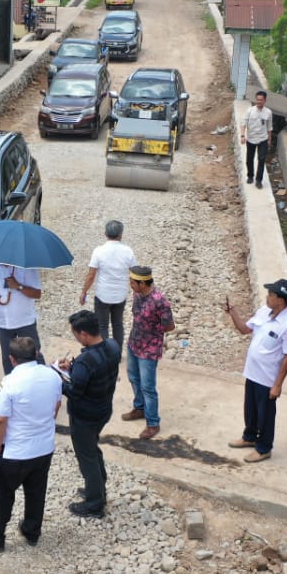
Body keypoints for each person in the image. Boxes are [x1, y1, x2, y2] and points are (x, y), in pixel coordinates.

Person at [0, 337, 63, 550]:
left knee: (3, 494)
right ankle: (32, 532)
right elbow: (57, 406)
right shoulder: (52, 376)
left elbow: (0, 419)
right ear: (36, 353)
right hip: (44, 447)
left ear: (12, 359)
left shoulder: (10, 382)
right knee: (36, 492)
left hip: (15, 450)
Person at [226, 279, 287, 463]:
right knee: (250, 409)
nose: (267, 297)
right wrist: (233, 313)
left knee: (266, 416)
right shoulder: (264, 312)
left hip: (267, 378)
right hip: (252, 372)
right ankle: (249, 437)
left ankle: (264, 448)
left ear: (281, 300)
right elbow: (244, 329)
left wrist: (278, 385)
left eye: (271, 294)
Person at [62, 310, 121, 519]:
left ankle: (94, 504)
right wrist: (73, 367)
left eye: (75, 334)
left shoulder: (85, 361)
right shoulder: (112, 346)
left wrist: (58, 379)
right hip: (103, 410)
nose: (75, 337)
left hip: (84, 417)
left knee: (86, 457)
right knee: (92, 450)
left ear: (84, 334)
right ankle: (97, 488)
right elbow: (92, 372)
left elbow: (74, 392)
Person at [123, 266, 175, 440]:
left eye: (132, 282)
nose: (130, 285)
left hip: (149, 350)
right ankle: (139, 408)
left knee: (148, 387)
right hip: (134, 343)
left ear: (143, 283)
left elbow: (170, 326)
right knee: (133, 377)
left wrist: (153, 330)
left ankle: (153, 423)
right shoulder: (137, 294)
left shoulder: (160, 301)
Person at [0, 263, 43, 376]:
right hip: (3, 323)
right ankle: (11, 382)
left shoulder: (27, 268)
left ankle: (39, 380)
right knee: (8, 358)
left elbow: (37, 294)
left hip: (25, 321)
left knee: (33, 354)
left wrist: (18, 286)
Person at [80, 220, 136, 348]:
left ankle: (105, 354)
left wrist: (84, 292)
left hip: (103, 295)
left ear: (105, 233)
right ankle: (117, 353)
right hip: (120, 295)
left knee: (102, 326)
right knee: (118, 324)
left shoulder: (99, 251)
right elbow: (135, 273)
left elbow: (91, 275)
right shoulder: (128, 251)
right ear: (121, 234)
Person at [240, 90, 274, 190]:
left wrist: (269, 140)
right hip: (251, 139)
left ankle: (259, 180)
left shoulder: (268, 113)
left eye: (261, 100)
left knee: (261, 159)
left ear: (265, 100)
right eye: (257, 99)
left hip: (263, 139)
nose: (259, 102)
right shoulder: (250, 111)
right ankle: (250, 176)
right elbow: (243, 123)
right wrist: (242, 135)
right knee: (249, 159)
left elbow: (269, 127)